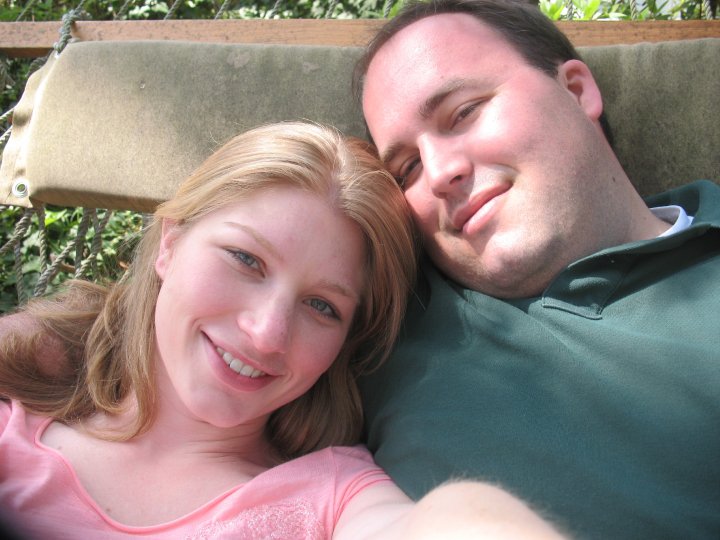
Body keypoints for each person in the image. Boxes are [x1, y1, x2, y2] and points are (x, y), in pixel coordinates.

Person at [0, 121, 566, 539]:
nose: (267, 334)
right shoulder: (16, 418)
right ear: (170, 243)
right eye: (246, 260)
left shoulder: (329, 501)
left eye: (322, 307)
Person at [352, 1, 720, 539]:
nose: (438, 174)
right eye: (406, 167)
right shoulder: (372, 322)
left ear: (576, 90)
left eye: (463, 112)